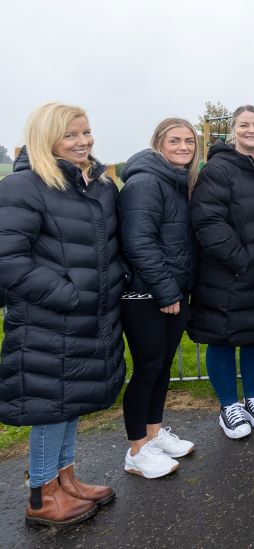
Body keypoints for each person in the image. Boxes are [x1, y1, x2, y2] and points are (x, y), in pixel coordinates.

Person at [0, 103, 127, 526]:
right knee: (50, 408)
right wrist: (68, 296)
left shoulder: (93, 185)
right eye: (71, 135)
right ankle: (41, 495)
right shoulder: (24, 187)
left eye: (86, 132)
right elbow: (9, 261)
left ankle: (65, 480)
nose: (83, 141)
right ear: (46, 138)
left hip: (90, 318)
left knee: (69, 403)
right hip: (50, 321)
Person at [190, 105, 254, 440]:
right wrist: (240, 260)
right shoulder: (217, 170)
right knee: (222, 336)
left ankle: (253, 396)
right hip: (230, 273)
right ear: (234, 130)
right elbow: (208, 221)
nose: (252, 130)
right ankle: (228, 405)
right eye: (244, 125)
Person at [118, 118, 199, 478]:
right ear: (158, 143)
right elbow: (138, 242)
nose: (183, 147)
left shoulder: (177, 181)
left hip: (171, 291)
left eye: (189, 141)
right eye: (174, 140)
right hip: (145, 293)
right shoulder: (145, 182)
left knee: (162, 366)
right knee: (147, 367)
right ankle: (136, 449)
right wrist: (165, 290)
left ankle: (153, 434)